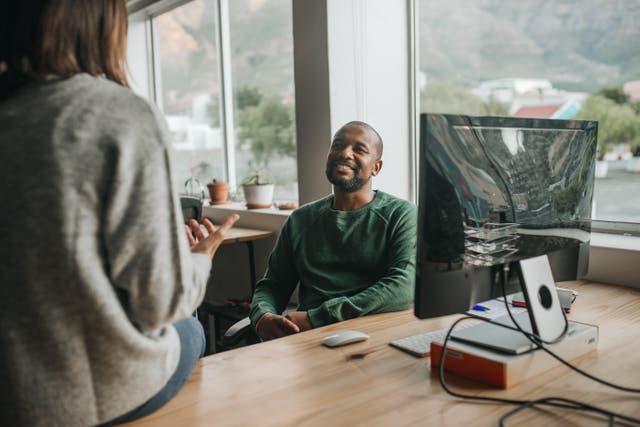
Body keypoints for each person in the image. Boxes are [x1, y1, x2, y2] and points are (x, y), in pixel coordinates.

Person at [0, 1, 238, 425]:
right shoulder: (115, 115)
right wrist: (200, 258)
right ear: (100, 21)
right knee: (191, 330)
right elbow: (159, 304)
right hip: (72, 404)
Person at [250, 121, 417, 340]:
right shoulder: (301, 219)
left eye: (359, 149)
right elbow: (273, 285)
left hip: (378, 336)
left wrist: (317, 317)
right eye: (338, 146)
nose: (345, 153)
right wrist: (262, 316)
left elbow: (404, 287)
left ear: (376, 167)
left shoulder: (400, 214)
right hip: (310, 338)